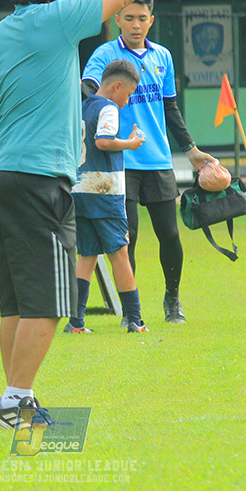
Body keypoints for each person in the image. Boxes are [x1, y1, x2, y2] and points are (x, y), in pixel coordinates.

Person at [0, 0, 193, 431]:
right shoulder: (58, 20)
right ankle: (13, 402)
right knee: (50, 302)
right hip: (37, 178)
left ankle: (19, 402)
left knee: (17, 303)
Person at [82, 0, 216, 323]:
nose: (135, 25)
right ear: (117, 20)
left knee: (169, 234)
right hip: (119, 162)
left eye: (142, 19)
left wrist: (191, 149)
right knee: (127, 238)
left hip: (158, 160)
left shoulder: (163, 57)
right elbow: (87, 90)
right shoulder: (105, 54)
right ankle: (131, 313)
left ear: (151, 20)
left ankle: (173, 299)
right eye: (129, 18)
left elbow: (170, 108)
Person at [66, 59, 149, 334]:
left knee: (87, 254)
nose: (127, 101)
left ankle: (76, 322)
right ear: (117, 86)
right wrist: (131, 143)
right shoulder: (109, 108)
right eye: (128, 93)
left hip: (80, 188)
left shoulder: (84, 106)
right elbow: (103, 141)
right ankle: (135, 320)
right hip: (104, 190)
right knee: (119, 253)